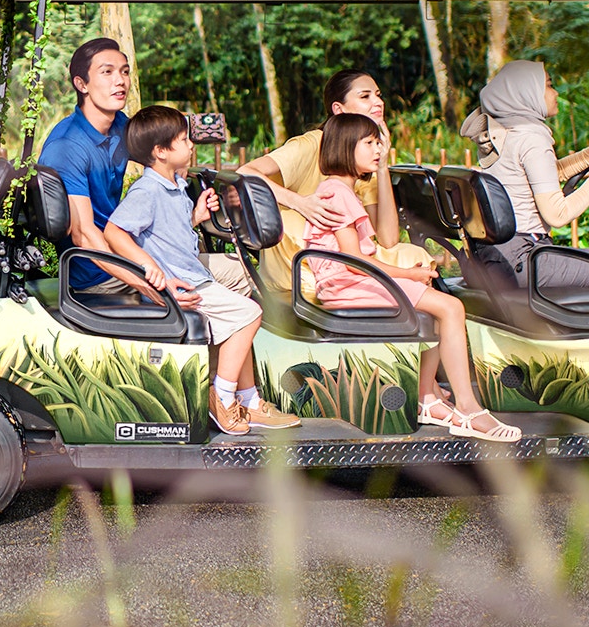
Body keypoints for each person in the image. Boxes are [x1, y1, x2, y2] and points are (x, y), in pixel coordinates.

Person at [305, 113, 520, 443]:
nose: (378, 149)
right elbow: (353, 261)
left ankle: (427, 400)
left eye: (378, 142)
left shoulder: (340, 189)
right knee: (451, 308)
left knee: (436, 301)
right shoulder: (337, 192)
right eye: (369, 143)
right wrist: (409, 272)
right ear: (346, 147)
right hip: (345, 284)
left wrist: (414, 276)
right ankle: (468, 408)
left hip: (350, 281)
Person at [103, 106, 301, 432]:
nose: (191, 144)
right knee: (249, 314)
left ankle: (248, 396)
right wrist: (153, 270)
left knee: (243, 274)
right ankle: (222, 396)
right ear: (160, 152)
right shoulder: (147, 190)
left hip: (190, 266)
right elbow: (114, 232)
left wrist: (195, 217)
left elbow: (169, 230)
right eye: (183, 140)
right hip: (183, 277)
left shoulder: (174, 183)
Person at [458, 60, 589, 297]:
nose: (555, 93)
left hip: (495, 257)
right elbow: (556, 215)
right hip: (523, 260)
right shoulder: (531, 138)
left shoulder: (504, 133)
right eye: (549, 85)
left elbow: (549, 174)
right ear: (527, 93)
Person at [239, 70, 411, 294]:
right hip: (304, 258)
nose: (378, 102)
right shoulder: (311, 144)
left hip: (345, 253)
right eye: (365, 96)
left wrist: (382, 165)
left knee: (411, 256)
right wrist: (299, 202)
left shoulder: (365, 157)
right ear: (338, 110)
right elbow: (245, 171)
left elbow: (388, 240)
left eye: (378, 95)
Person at [38, 38, 162, 300]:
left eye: (124, 72)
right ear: (81, 84)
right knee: (235, 292)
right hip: (100, 275)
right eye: (107, 72)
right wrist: (147, 285)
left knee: (231, 269)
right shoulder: (67, 145)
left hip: (130, 253)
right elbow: (84, 235)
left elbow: (160, 157)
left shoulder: (119, 124)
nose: (120, 81)